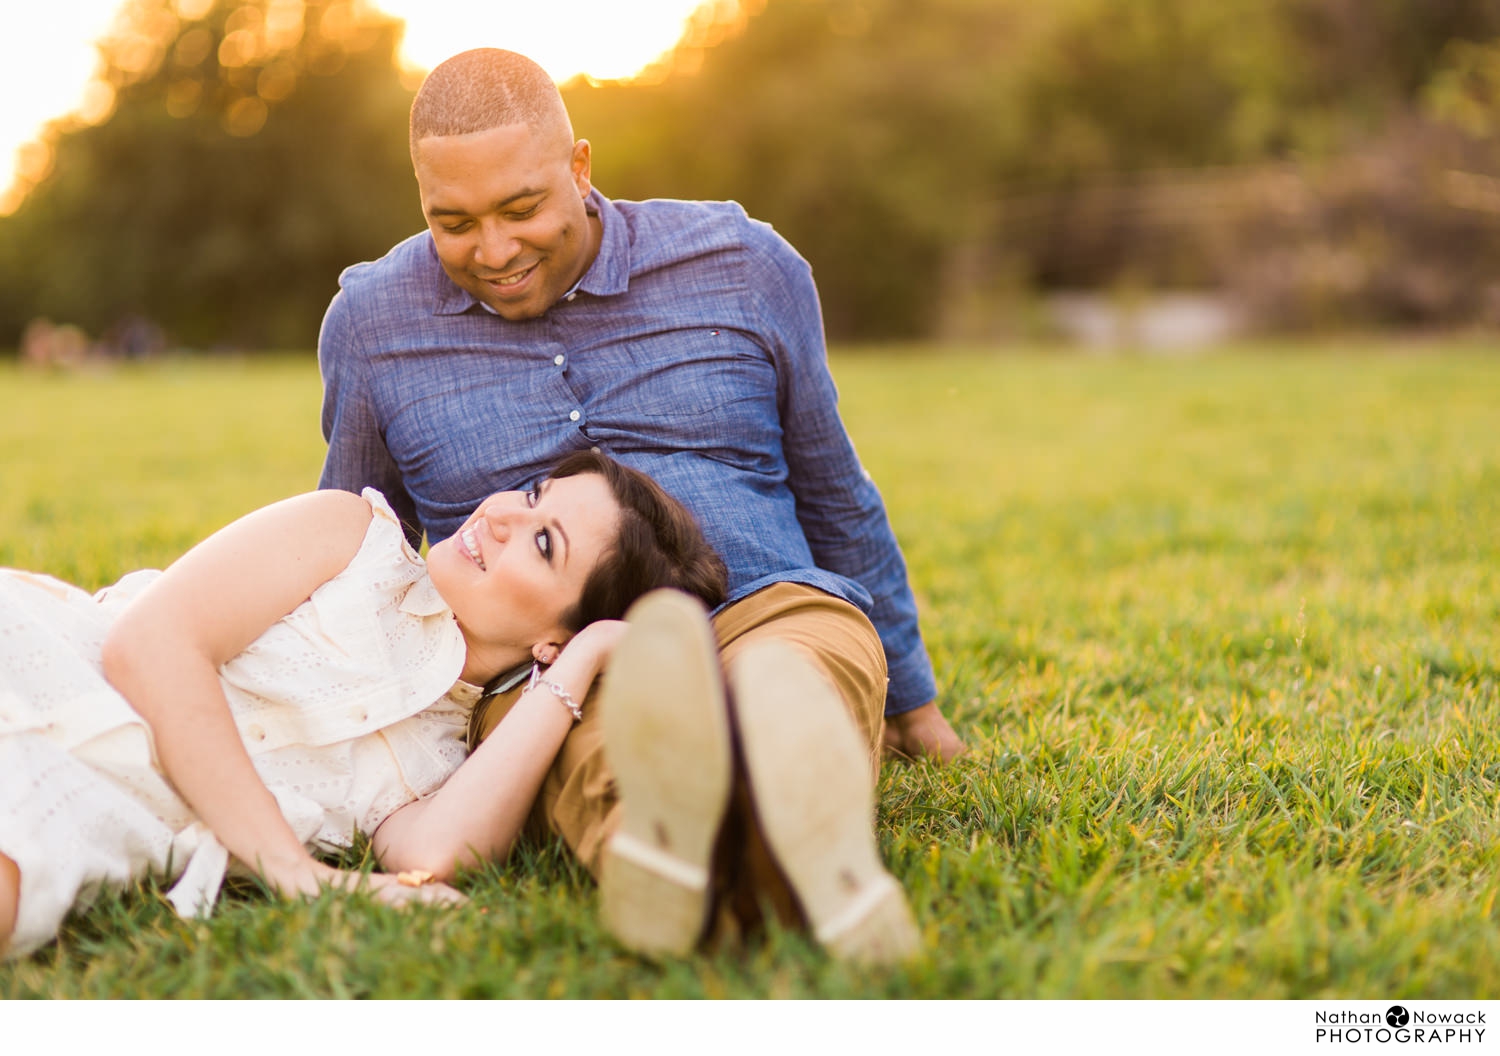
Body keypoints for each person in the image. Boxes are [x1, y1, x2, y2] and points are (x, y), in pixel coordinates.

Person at [317, 47, 963, 963]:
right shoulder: (373, 323)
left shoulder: (741, 264)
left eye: (521, 208)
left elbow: (833, 490)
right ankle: (687, 854)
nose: (493, 252)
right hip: (547, 668)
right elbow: (356, 546)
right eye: (451, 222)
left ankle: (768, 792)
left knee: (795, 673)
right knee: (599, 748)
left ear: (580, 167)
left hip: (763, 603)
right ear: (419, 196)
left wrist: (918, 707)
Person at [0, 451, 726, 961]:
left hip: (92, 810)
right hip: (39, 660)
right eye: (534, 493)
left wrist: (592, 651)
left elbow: (433, 854)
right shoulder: (351, 537)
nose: (502, 515)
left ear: (552, 640)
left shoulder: (442, 762)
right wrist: (294, 870)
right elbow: (150, 645)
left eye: (542, 542)